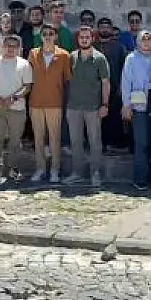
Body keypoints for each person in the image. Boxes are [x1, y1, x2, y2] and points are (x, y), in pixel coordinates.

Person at [0, 34, 33, 184]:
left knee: (15, 141)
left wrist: (14, 97)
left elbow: (27, 86)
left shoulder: (24, 64)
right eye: (8, 45)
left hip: (16, 108)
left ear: (18, 49)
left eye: (14, 46)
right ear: (2, 46)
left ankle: (14, 168)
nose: (10, 49)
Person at [64, 26, 111, 187]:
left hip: (93, 107)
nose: (84, 39)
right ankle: (77, 173)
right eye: (81, 37)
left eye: (87, 37)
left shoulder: (100, 59)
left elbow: (105, 83)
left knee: (94, 141)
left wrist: (105, 104)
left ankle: (95, 173)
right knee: (75, 141)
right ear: (78, 39)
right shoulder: (71, 57)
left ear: (92, 39)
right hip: (73, 106)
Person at [26, 23, 72, 183]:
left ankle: (55, 170)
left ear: (55, 36)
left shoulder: (64, 55)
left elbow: (67, 80)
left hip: (55, 102)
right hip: (36, 102)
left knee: (54, 139)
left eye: (50, 33)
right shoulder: (33, 53)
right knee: (38, 138)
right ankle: (40, 169)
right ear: (40, 36)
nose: (47, 36)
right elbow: (27, 78)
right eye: (44, 33)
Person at [121, 30, 151, 190]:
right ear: (138, 42)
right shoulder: (131, 59)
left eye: (149, 40)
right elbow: (126, 82)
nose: (146, 43)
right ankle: (140, 178)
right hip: (137, 107)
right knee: (141, 143)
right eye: (143, 40)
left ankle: (150, 176)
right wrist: (126, 105)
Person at [96, 17, 128, 153]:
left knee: (113, 117)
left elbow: (125, 68)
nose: (104, 29)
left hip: (115, 89)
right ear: (98, 29)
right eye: (102, 26)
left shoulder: (119, 47)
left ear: (111, 29)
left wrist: (122, 86)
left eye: (107, 26)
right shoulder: (93, 47)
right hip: (96, 90)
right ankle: (99, 144)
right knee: (98, 119)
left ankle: (113, 144)